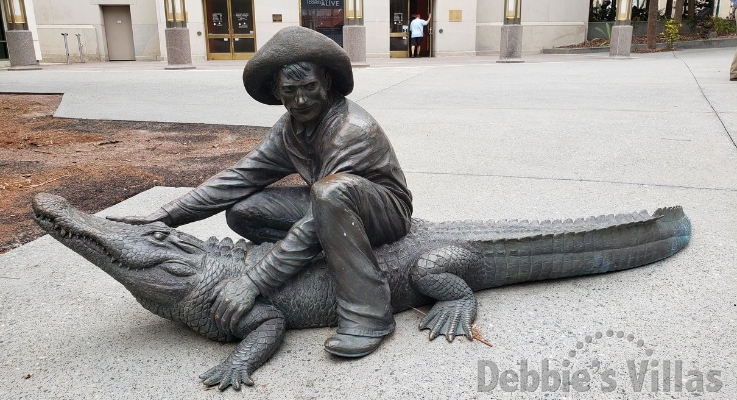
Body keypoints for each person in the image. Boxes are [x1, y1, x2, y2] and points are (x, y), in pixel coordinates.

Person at [108, 26, 413, 359]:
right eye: (290, 90)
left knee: (328, 194)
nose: (301, 100)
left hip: (383, 212)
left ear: (326, 81)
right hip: (332, 203)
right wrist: (163, 218)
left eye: (310, 87)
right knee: (244, 209)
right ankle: (317, 253)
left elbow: (316, 217)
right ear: (275, 90)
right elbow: (240, 177)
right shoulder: (290, 128)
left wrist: (253, 282)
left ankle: (368, 316)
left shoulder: (350, 130)